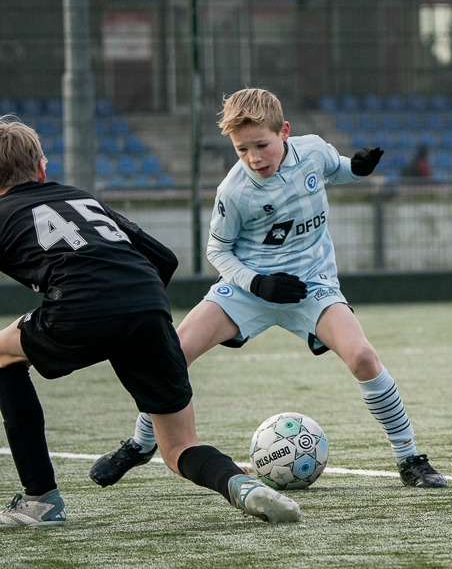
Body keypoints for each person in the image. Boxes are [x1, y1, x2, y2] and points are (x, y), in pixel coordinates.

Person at [90, 88, 446, 490]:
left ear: (285, 133)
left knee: (363, 357)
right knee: (170, 353)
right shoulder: (234, 191)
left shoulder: (312, 151)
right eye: (242, 150)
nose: (253, 158)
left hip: (313, 286)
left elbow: (339, 169)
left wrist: (358, 169)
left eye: (261, 145)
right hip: (248, 290)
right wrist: (258, 282)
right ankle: (140, 444)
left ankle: (410, 460)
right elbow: (217, 250)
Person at [0, 117, 300, 527]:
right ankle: (244, 486)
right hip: (148, 305)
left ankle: (41, 500)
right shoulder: (81, 198)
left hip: (76, 310)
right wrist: (130, 312)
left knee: (3, 357)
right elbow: (165, 259)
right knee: (178, 448)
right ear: (41, 170)